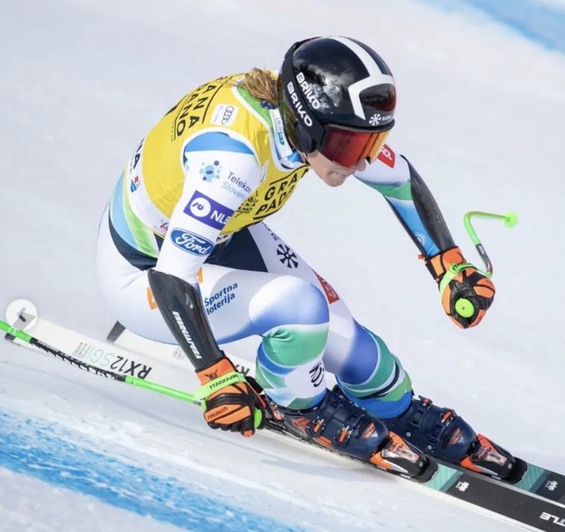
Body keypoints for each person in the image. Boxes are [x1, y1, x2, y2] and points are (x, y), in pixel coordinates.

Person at [96, 36, 519, 481]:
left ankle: (401, 412)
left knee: (358, 351)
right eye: (349, 149)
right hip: (144, 273)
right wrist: (214, 373)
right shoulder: (234, 159)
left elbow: (399, 179)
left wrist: (447, 264)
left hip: (218, 238)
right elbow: (172, 275)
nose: (358, 163)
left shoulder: (307, 121)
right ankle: (302, 407)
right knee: (300, 311)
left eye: (370, 145)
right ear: (306, 125)